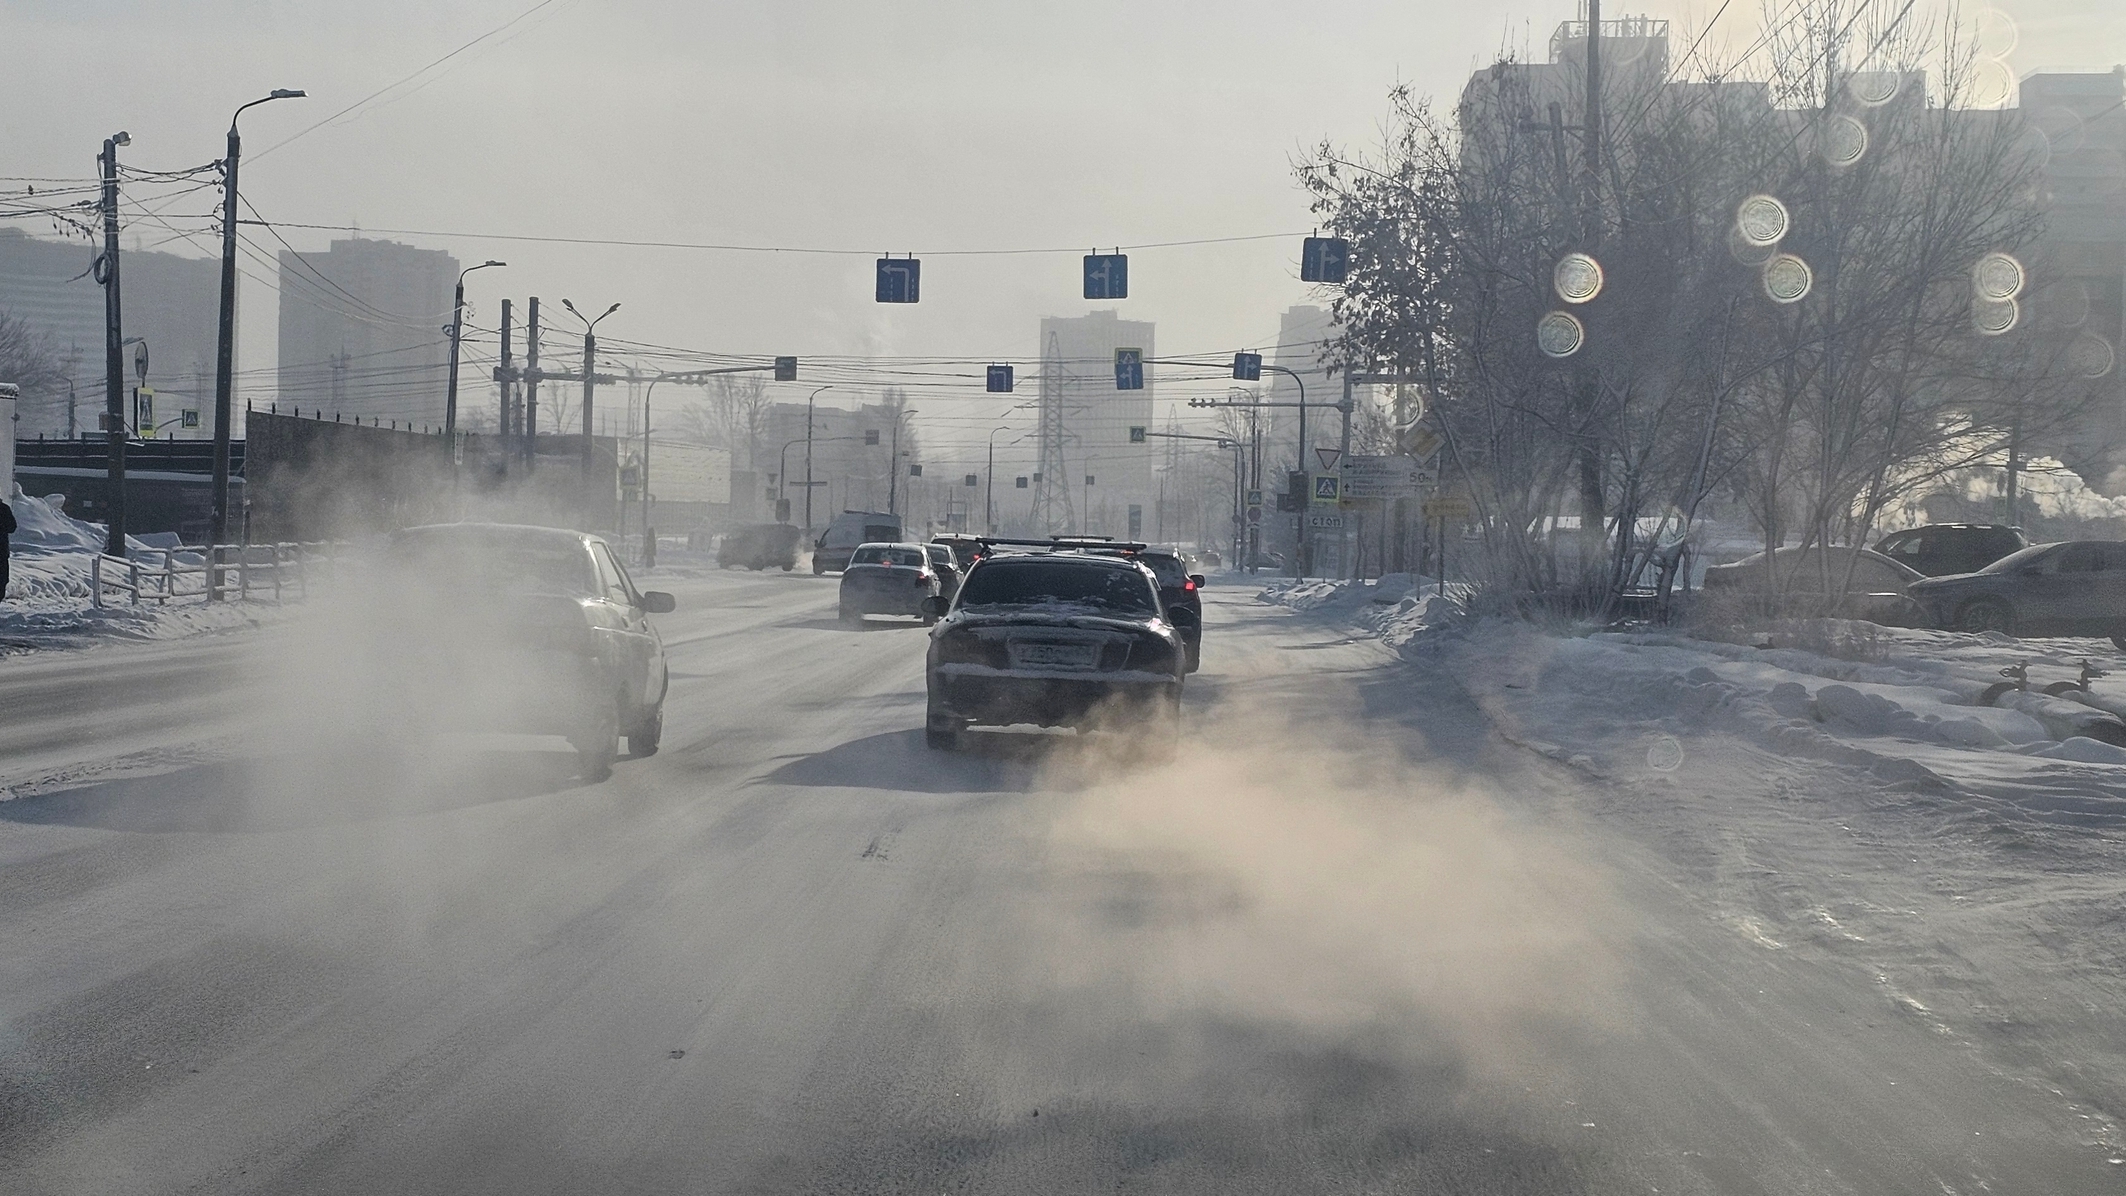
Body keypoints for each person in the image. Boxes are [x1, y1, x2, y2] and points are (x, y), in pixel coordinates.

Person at [0, 494, 14, 602]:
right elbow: (12, 527)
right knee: (2, 578)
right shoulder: (4, 509)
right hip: (2, 550)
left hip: (2, 550)